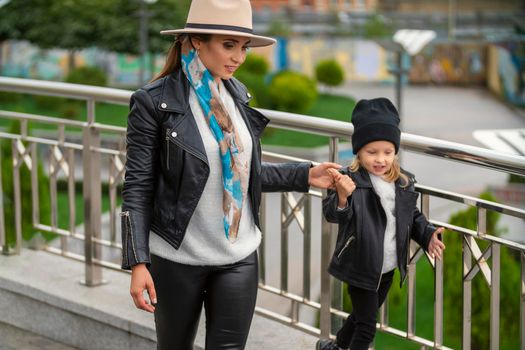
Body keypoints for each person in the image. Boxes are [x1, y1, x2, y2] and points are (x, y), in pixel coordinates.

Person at [120, 1, 340, 349]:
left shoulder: (235, 94)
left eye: (244, 47)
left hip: (238, 257)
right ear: (194, 42)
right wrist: (137, 262)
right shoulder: (153, 103)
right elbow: (137, 186)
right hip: (178, 258)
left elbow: (237, 174)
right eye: (228, 45)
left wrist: (305, 174)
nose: (239, 57)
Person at [317, 98, 445, 350]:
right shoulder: (349, 179)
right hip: (360, 266)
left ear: (395, 151)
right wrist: (342, 196)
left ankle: (331, 347)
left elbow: (412, 216)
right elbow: (332, 214)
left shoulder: (402, 182)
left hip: (387, 269)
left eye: (387, 152)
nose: (380, 159)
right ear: (358, 151)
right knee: (366, 329)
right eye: (371, 152)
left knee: (358, 318)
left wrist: (428, 235)